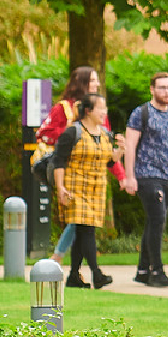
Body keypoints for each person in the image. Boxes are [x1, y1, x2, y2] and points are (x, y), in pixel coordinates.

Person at [34, 66, 117, 263]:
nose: (97, 84)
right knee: (79, 218)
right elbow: (43, 132)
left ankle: (70, 267)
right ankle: (66, 260)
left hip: (93, 176)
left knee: (81, 220)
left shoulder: (98, 110)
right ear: (82, 83)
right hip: (70, 173)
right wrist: (70, 138)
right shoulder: (64, 108)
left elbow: (106, 148)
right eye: (93, 80)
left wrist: (121, 174)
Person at [123, 72, 168, 288]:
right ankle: (156, 270)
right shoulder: (141, 113)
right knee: (157, 219)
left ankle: (142, 269)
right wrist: (129, 176)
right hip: (146, 174)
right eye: (162, 88)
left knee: (154, 221)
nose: (166, 92)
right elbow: (130, 145)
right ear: (152, 89)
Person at [53, 94, 119, 288]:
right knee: (86, 229)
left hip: (96, 189)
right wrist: (60, 187)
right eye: (101, 109)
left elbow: (108, 161)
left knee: (82, 231)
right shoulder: (73, 132)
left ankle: (74, 275)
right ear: (88, 111)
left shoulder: (106, 134)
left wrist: (119, 152)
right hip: (76, 188)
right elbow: (59, 160)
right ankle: (96, 274)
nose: (104, 113)